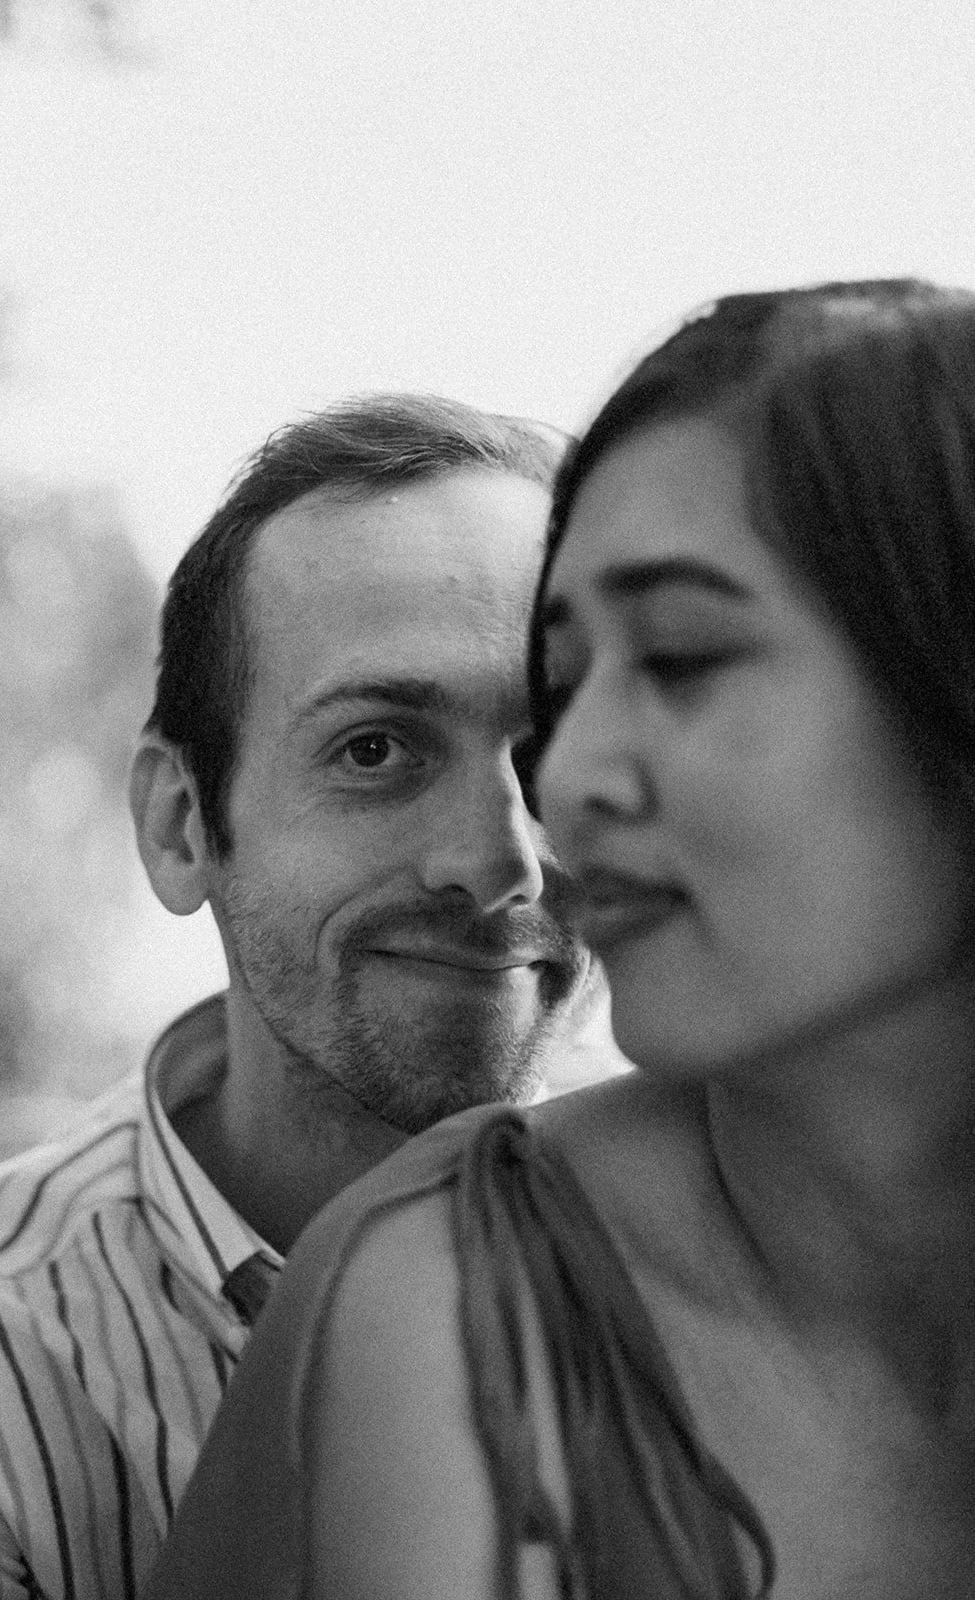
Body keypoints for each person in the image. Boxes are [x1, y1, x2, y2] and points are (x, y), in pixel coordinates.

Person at [150, 280, 975, 1600]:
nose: (561, 785)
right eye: (572, 685)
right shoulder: (457, 1288)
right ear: (179, 823)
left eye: (684, 657)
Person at [0, 393, 620, 1600]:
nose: (496, 861)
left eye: (547, 752)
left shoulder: (750, 1242)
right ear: (181, 826)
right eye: (377, 748)